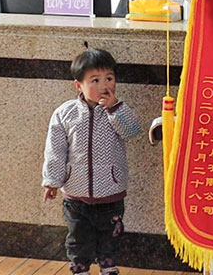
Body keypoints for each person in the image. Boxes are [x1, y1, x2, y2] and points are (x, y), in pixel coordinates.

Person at [42, 48, 142, 275]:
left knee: (110, 235)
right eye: (95, 80)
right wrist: (52, 181)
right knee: (78, 237)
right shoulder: (65, 113)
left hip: (111, 192)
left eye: (109, 78)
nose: (104, 85)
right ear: (78, 85)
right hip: (75, 195)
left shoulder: (118, 110)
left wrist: (115, 108)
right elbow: (55, 151)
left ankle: (108, 267)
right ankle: (80, 269)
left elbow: (132, 131)